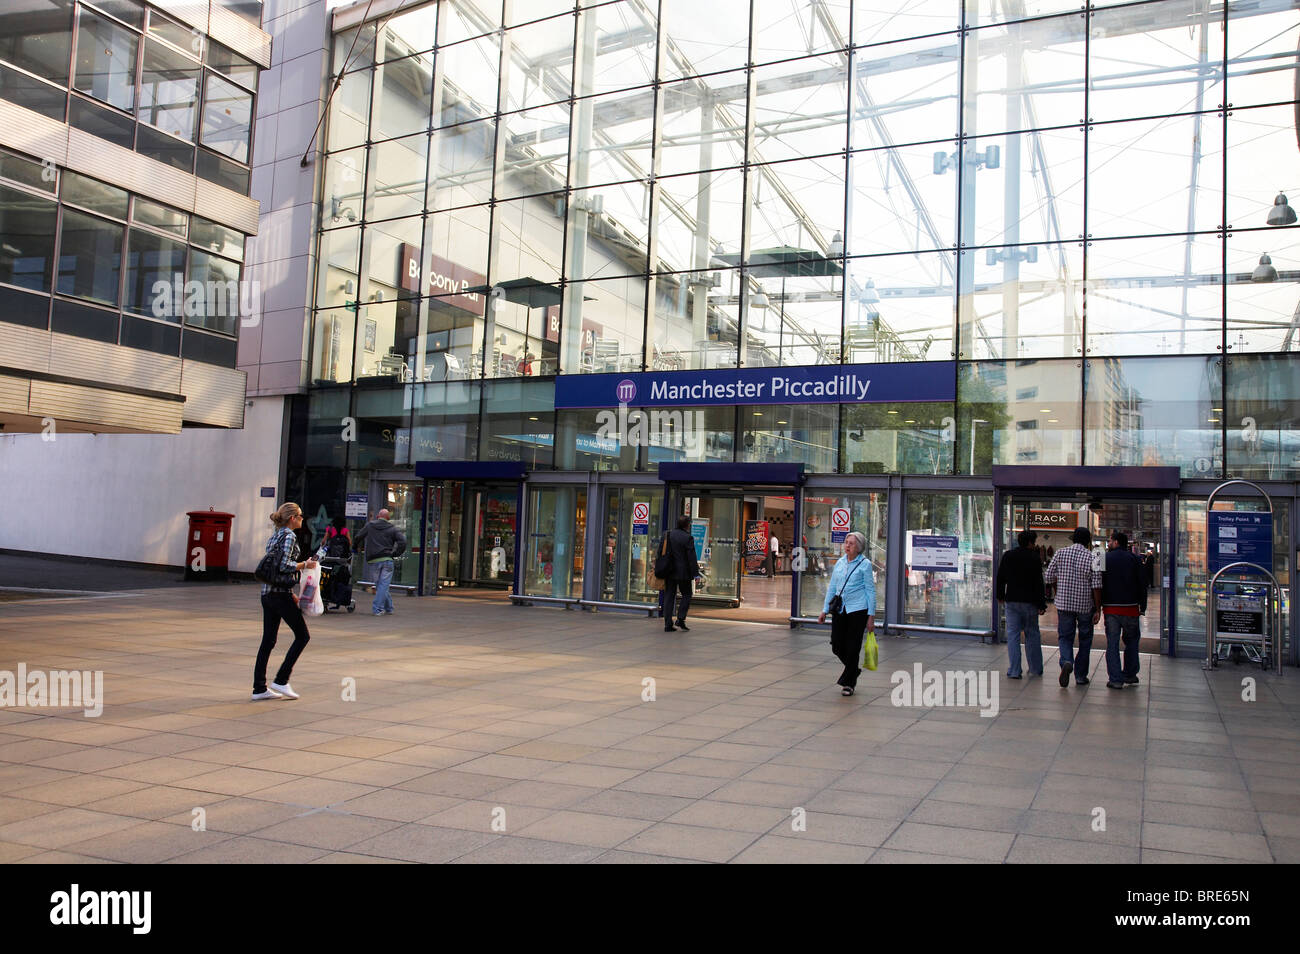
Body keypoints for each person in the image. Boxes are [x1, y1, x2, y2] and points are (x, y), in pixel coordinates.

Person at [252, 503, 316, 701]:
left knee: (268, 640)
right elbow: (283, 565)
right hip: (279, 595)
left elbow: (274, 566)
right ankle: (281, 679)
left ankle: (259, 688)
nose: (303, 518)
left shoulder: (276, 534)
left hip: (268, 594)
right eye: (300, 515)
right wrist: (305, 564)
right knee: (302, 636)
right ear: (292, 518)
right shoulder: (289, 535)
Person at [817, 531, 876, 696]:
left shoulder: (865, 564)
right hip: (841, 609)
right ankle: (853, 670)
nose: (847, 546)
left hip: (858, 610)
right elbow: (833, 588)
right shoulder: (840, 563)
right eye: (846, 542)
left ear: (859, 547)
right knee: (836, 644)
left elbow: (870, 591)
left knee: (853, 646)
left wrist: (871, 616)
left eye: (851, 543)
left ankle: (849, 684)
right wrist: (824, 610)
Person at [1044, 527, 1102, 688]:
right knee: (1085, 640)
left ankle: (1067, 661)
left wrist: (1058, 589)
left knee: (1064, 637)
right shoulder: (1094, 557)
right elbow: (1097, 586)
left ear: (1073, 539)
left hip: (1064, 603)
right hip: (1085, 605)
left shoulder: (1060, 553)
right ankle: (1081, 676)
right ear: (1088, 541)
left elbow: (1048, 576)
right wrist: (1098, 609)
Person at [996, 529, 1047, 679]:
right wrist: (1041, 604)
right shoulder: (1034, 557)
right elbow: (1038, 582)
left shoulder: (1008, 556)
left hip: (1012, 601)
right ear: (1030, 543)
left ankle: (1014, 670)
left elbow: (1001, 577)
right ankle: (1035, 668)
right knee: (1032, 634)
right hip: (1030, 602)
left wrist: (1000, 595)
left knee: (1013, 635)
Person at [1101, 531, 1147, 689]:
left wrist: (1096, 605)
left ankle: (1115, 679)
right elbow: (1143, 583)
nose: (1108, 543)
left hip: (1110, 608)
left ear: (1115, 542)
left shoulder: (1103, 557)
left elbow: (1096, 581)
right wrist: (1143, 605)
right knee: (1132, 641)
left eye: (1109, 541)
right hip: (1131, 608)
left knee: (1112, 643)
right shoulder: (1135, 559)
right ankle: (1130, 674)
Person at [354, 508, 407, 616]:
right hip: (387, 560)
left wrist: (355, 547)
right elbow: (403, 541)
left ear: (378, 516)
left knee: (380, 585)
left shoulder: (370, 525)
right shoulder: (393, 529)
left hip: (374, 560)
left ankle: (379, 608)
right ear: (388, 518)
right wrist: (395, 553)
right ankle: (387, 608)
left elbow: (358, 536)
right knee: (382, 585)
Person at [662, 516, 701, 632]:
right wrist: (696, 574)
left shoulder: (667, 534)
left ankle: (668, 623)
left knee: (669, 595)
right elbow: (691, 558)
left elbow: (661, 551)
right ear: (687, 525)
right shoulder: (688, 538)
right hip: (683, 572)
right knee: (687, 594)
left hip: (669, 571)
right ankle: (680, 618)